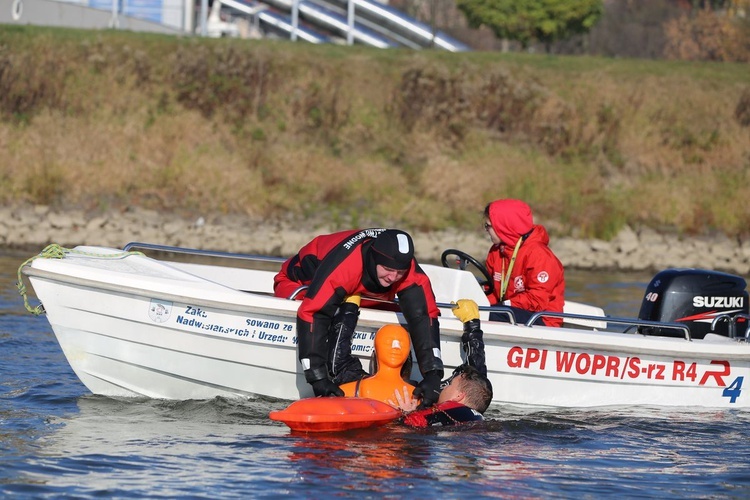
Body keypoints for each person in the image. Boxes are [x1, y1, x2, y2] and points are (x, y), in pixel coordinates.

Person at [274, 228, 444, 407]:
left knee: (406, 307)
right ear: (375, 259)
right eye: (387, 269)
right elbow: (313, 313)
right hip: (297, 282)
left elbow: (424, 317)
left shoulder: (406, 269)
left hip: (359, 291)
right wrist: (318, 379)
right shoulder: (346, 266)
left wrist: (433, 374)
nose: (393, 277)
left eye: (399, 272)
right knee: (324, 305)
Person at [389, 299, 493, 428]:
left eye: (449, 384)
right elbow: (477, 380)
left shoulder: (452, 409)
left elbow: (411, 423)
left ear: (459, 396)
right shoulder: (476, 413)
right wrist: (473, 327)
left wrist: (406, 413)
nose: (444, 386)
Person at [483, 199, 565, 327]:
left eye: (488, 225)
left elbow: (537, 300)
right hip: (511, 309)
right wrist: (479, 302)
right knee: (472, 309)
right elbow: (494, 292)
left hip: (542, 319)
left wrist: (502, 305)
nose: (486, 230)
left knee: (490, 314)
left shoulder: (539, 255)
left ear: (503, 226)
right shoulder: (496, 252)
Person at [339, 324, 415, 401]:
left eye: (402, 343)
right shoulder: (350, 389)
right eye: (388, 342)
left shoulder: (415, 395)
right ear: (376, 347)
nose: (396, 347)